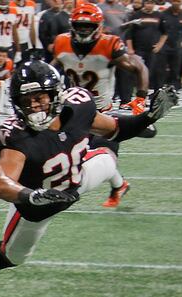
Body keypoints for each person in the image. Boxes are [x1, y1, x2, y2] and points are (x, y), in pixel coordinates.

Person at [0, 60, 176, 297]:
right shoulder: (15, 135)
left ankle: (115, 183)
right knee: (14, 257)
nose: (34, 107)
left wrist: (148, 117)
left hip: (77, 179)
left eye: (40, 98)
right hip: (40, 204)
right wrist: (33, 196)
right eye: (27, 101)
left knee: (109, 161)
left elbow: (116, 129)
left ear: (56, 95)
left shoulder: (79, 106)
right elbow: (2, 185)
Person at [52, 4, 150, 207]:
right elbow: (54, 68)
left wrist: (140, 99)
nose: (83, 30)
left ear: (98, 26)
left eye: (88, 26)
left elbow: (139, 68)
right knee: (66, 154)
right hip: (74, 111)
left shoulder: (109, 44)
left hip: (102, 114)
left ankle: (115, 185)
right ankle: (120, 185)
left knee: (103, 157)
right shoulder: (61, 42)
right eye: (80, 25)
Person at [125, 0, 165, 93]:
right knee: (137, 72)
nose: (149, 5)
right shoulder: (136, 15)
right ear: (144, 4)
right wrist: (130, 48)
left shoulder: (159, 16)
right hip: (139, 49)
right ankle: (133, 94)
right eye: (147, 3)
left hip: (152, 50)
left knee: (148, 73)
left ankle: (143, 95)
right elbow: (129, 33)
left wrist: (159, 45)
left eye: (151, 3)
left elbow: (165, 33)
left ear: (154, 4)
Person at [154, 0, 182, 89]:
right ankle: (159, 90)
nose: (176, 3)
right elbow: (158, 30)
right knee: (161, 70)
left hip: (176, 46)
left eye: (178, 1)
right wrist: (159, 44)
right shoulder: (163, 14)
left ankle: (174, 90)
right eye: (174, 1)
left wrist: (181, 41)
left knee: (175, 70)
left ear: (181, 3)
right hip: (164, 46)